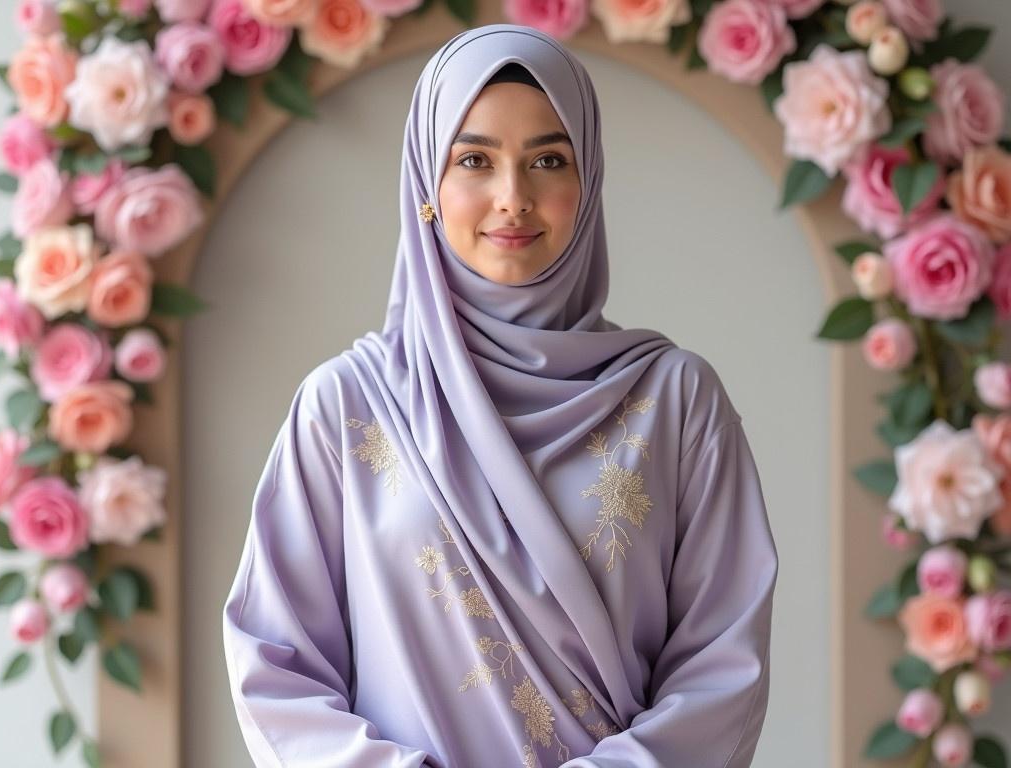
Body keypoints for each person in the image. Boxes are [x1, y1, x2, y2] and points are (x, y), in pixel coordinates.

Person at [222, 23, 779, 768]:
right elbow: (275, 666)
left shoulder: (675, 401)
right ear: (427, 185)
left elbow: (723, 667)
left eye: (548, 159)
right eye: (474, 160)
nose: (512, 198)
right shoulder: (348, 405)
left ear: (589, 183)